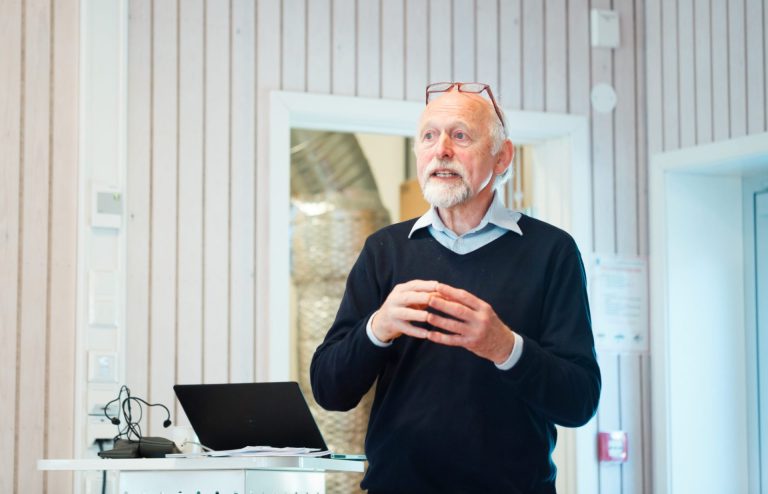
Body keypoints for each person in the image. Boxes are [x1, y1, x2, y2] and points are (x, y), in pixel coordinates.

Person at [310, 82, 601, 494]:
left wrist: (505, 347)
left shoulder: (551, 252)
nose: (441, 149)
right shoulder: (384, 251)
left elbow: (579, 401)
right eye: (429, 135)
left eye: (460, 135)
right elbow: (328, 389)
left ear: (502, 156)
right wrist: (377, 327)